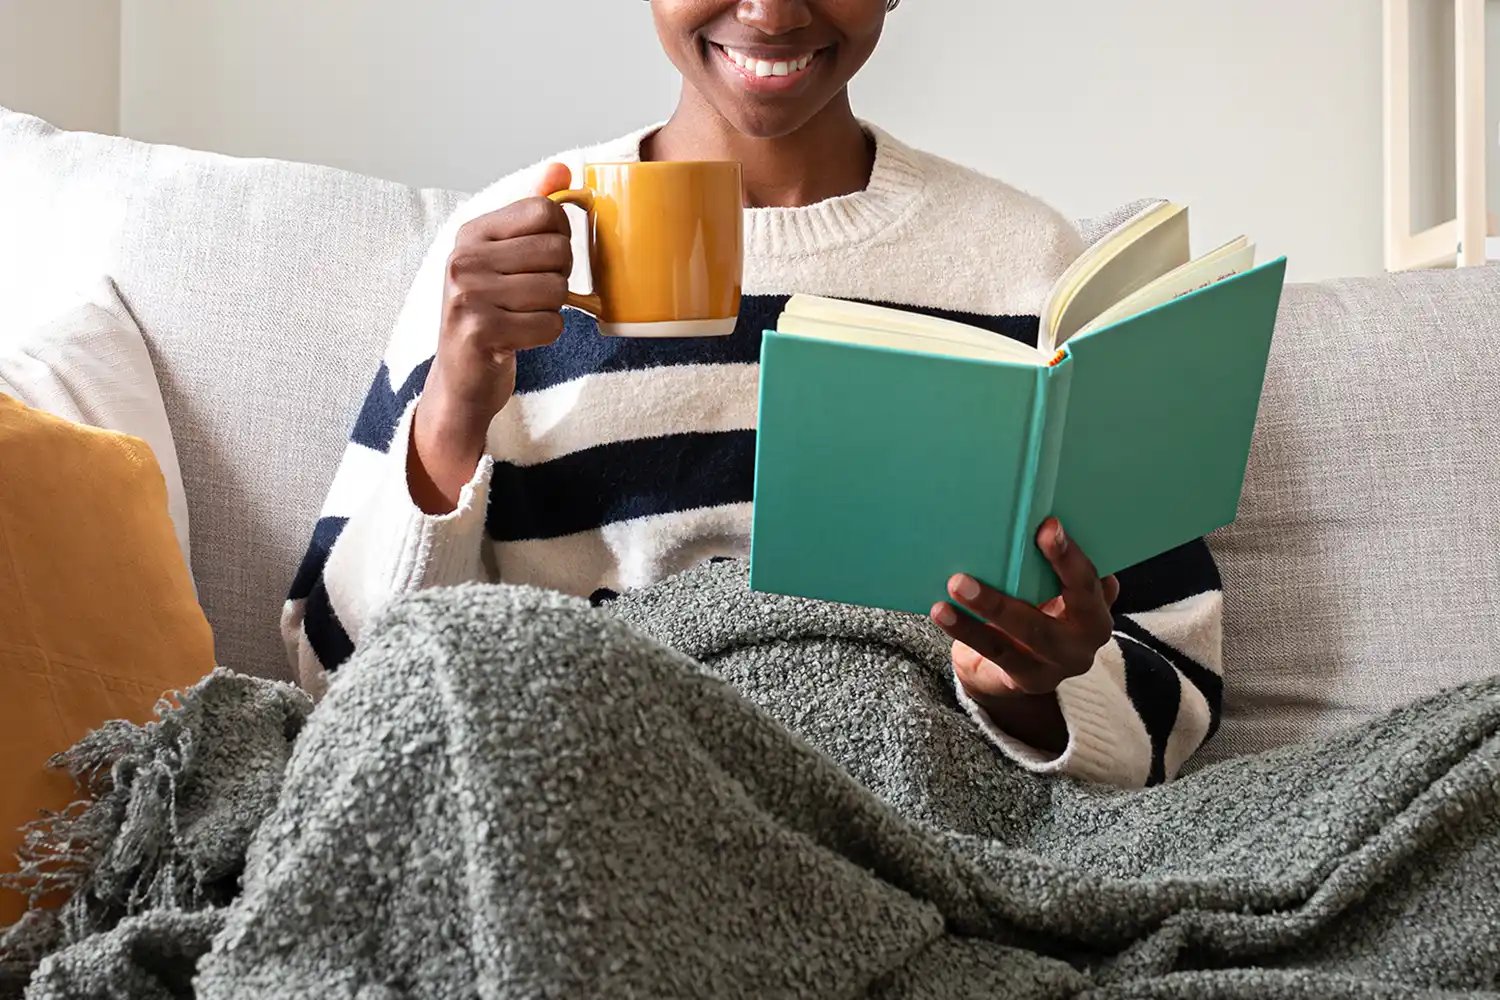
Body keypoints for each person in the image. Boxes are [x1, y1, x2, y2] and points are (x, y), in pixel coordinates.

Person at [284, 0, 1223, 787]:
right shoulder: (495, 263)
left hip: (913, 807)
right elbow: (338, 682)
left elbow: (1175, 692)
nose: (771, 12)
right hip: (589, 783)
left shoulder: (1028, 267)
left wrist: (1030, 688)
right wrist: (453, 408)